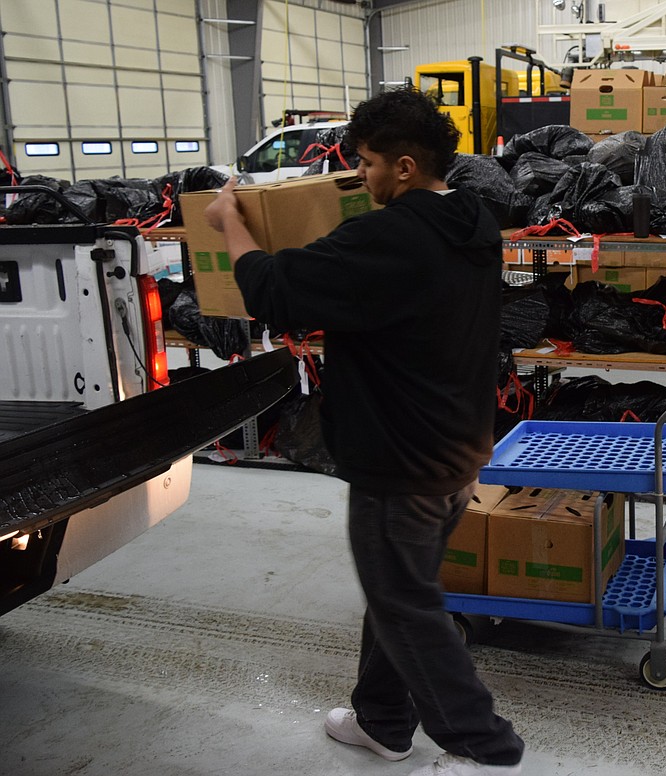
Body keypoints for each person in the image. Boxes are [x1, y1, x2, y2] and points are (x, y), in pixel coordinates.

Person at [203, 88, 525, 776]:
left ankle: (485, 747)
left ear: (405, 167)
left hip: (399, 460)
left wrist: (230, 221)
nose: (362, 177)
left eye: (369, 163)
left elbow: (270, 289)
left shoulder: (389, 238)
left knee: (405, 602)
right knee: (398, 588)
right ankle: (382, 722)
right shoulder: (474, 221)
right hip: (460, 448)